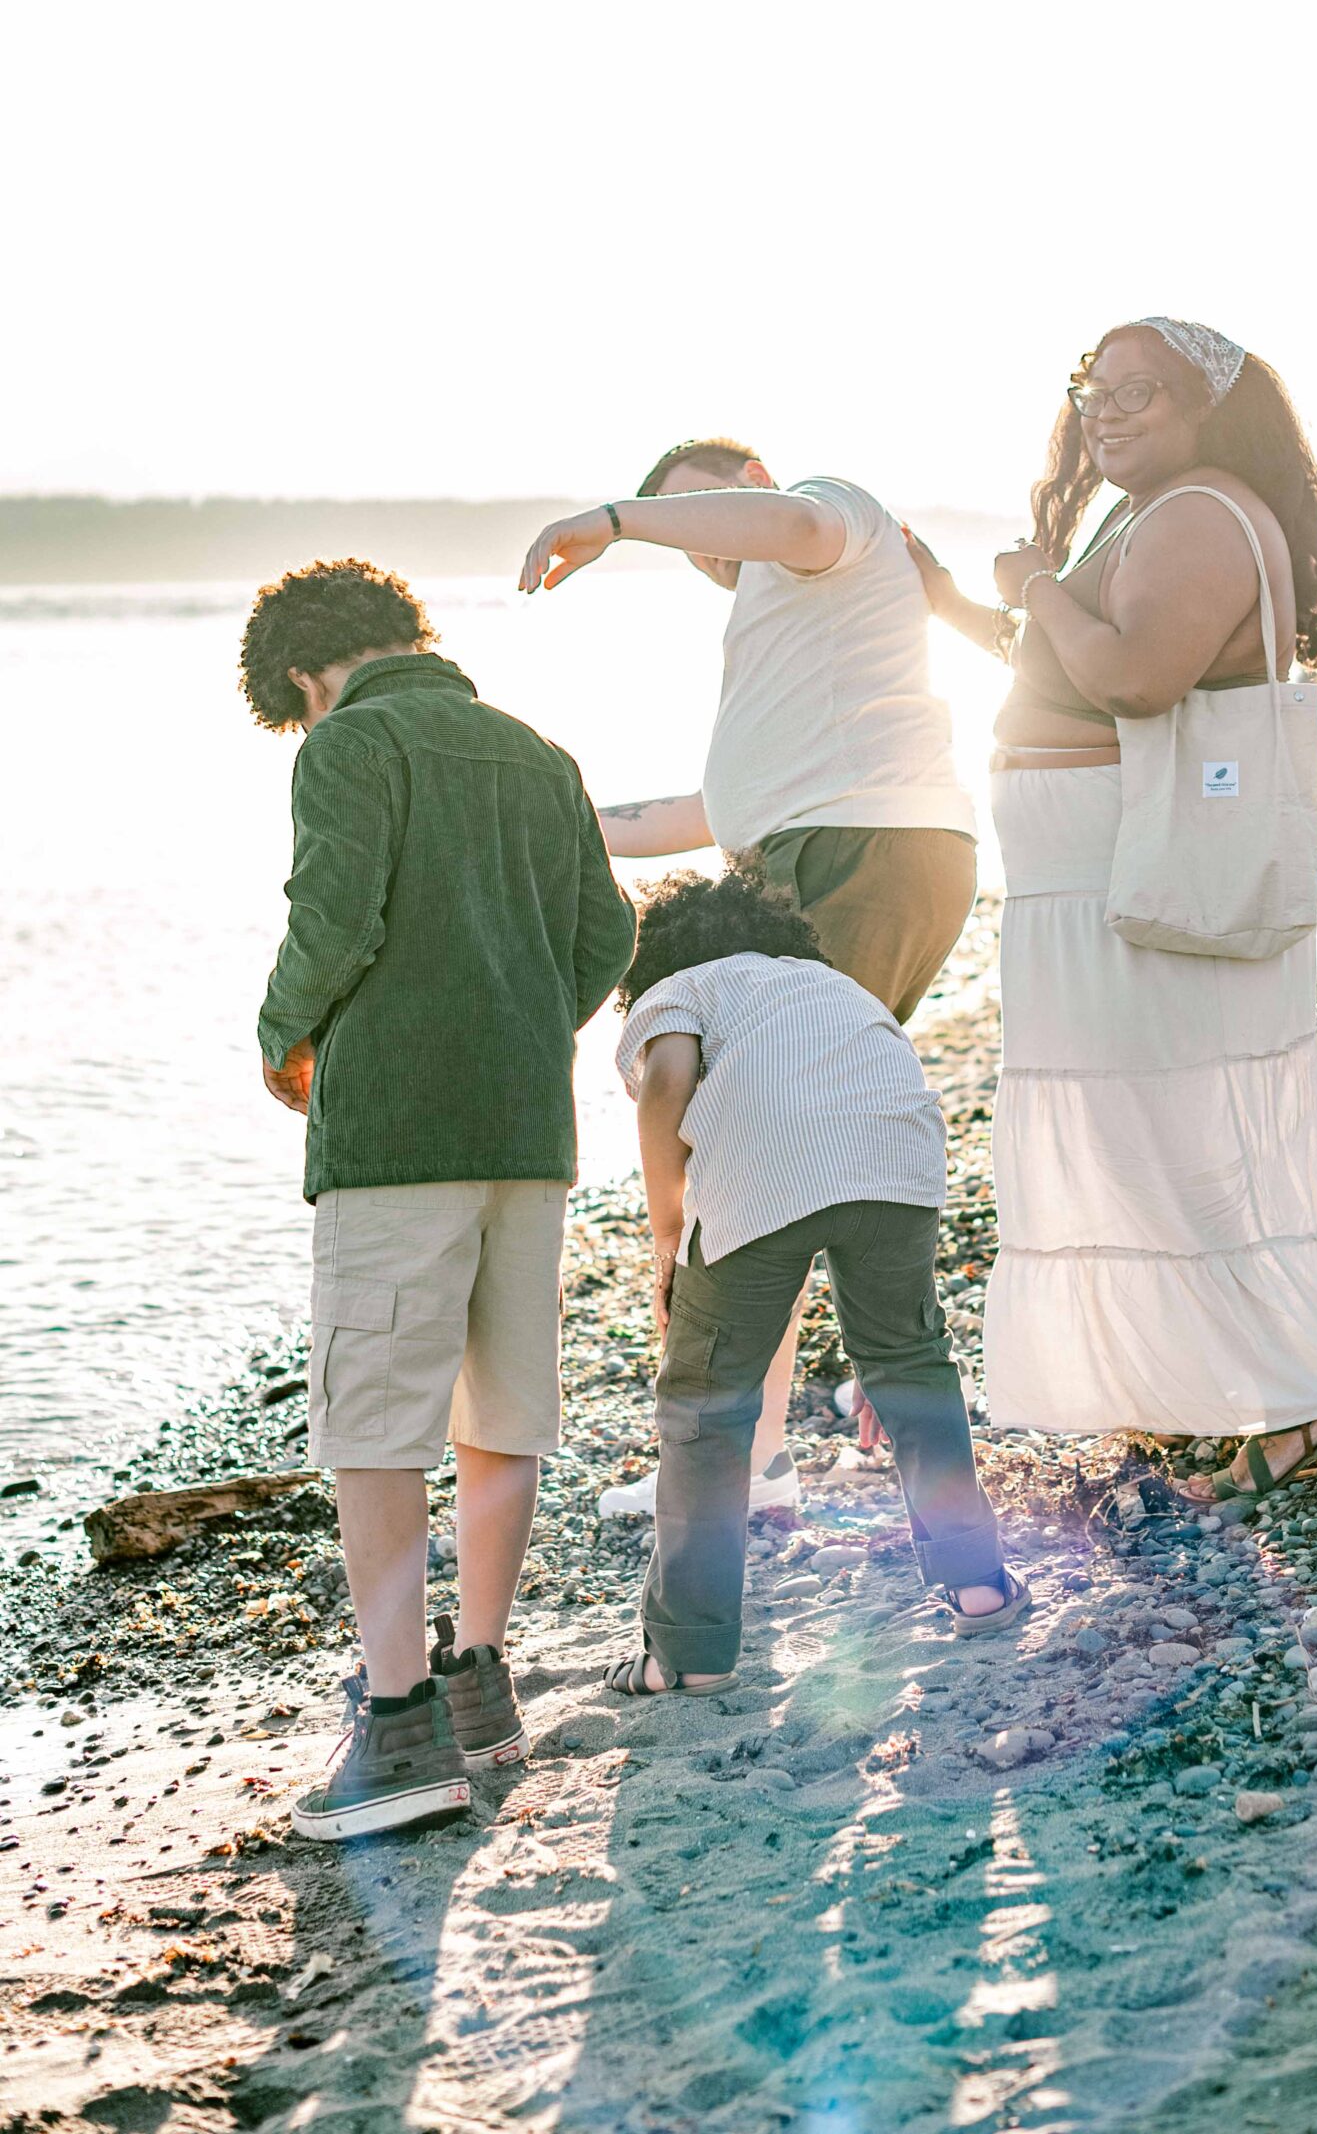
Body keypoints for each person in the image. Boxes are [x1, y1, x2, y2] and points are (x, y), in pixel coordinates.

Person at [914, 319, 1317, 1510]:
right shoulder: (1145, 511)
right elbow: (1063, 662)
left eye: (1143, 390)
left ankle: (1301, 1396)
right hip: (1089, 878)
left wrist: (1030, 582)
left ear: (1206, 409)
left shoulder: (1196, 509)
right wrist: (949, 600)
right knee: (1134, 1130)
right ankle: (1209, 1383)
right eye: (1095, 387)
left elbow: (1134, 676)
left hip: (1125, 873)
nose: (1107, 408)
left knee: (1175, 1127)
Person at [244, 559, 635, 1839]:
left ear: (308, 674)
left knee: (376, 1422)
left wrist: (281, 1034)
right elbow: (605, 941)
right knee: (500, 1409)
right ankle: (477, 1683)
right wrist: (517, 1027)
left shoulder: (350, 743)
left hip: (399, 1131)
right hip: (527, 1126)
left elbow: (335, 915)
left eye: (296, 703)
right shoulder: (537, 752)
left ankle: (398, 1721)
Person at [518, 445, 978, 1520]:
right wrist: (560, 828)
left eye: (709, 510)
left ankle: (752, 1460)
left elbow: (785, 522)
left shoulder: (831, 518)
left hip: (856, 851)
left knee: (754, 1138)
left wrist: (617, 520)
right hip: (851, 847)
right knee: (785, 1131)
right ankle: (793, 1428)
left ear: (754, 489)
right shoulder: (791, 646)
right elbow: (710, 813)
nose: (704, 539)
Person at [602, 857, 1022, 1695]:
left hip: (768, 1164)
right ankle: (977, 1585)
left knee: (706, 1405)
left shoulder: (681, 986)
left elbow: (667, 1084)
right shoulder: (825, 982)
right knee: (909, 1366)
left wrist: (666, 1230)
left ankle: (685, 1655)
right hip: (898, 1155)